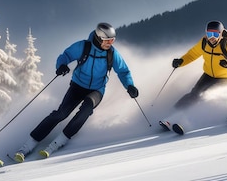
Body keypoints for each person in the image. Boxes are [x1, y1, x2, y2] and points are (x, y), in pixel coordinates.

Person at [13, 22, 139, 161]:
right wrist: (61, 65)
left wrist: (130, 86)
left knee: (86, 109)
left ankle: (59, 141)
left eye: (112, 40)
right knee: (61, 113)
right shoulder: (83, 46)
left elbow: (123, 71)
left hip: (97, 89)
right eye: (107, 40)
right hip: (78, 86)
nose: (110, 43)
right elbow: (65, 55)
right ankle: (27, 146)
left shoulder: (112, 53)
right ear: (98, 38)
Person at [160, 20, 227, 133]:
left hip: (225, 78)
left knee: (205, 96)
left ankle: (188, 121)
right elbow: (192, 54)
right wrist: (181, 62)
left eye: (215, 34)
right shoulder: (204, 43)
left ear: (221, 34)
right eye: (209, 34)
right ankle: (169, 116)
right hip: (208, 75)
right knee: (193, 94)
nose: (211, 37)